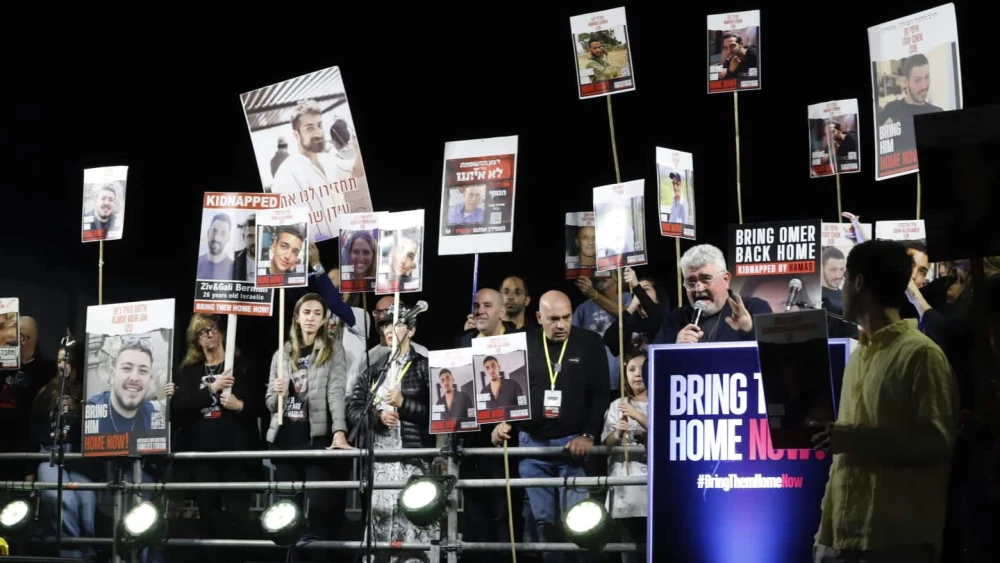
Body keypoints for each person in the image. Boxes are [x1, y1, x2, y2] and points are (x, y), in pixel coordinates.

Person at [810, 240, 957, 563]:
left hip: (894, 542)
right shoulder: (859, 354)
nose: (841, 287)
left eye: (845, 278)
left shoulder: (921, 355)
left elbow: (938, 441)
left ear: (858, 282)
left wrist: (851, 437)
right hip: (838, 538)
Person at [492, 291, 610, 563]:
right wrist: (501, 421)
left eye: (566, 318)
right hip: (532, 446)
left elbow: (601, 393)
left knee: (580, 522)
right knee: (543, 523)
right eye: (553, 319)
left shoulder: (589, 342)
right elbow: (507, 391)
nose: (561, 325)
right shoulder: (522, 343)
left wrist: (588, 435)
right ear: (539, 317)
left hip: (573, 446)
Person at [347, 305, 435, 563]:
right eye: (384, 325)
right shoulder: (375, 369)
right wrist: (377, 417)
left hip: (412, 458)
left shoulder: (424, 368)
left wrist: (404, 403)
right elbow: (354, 409)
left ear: (411, 330)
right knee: (381, 517)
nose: (388, 330)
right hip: (381, 459)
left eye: (394, 324)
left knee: (412, 515)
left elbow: (437, 413)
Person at [265, 293, 352, 542]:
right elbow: (270, 403)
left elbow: (336, 391)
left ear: (324, 320)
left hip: (316, 439)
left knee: (318, 508)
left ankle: (315, 555)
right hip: (285, 440)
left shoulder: (333, 349)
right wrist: (278, 393)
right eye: (306, 312)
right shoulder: (282, 353)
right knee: (287, 511)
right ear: (296, 317)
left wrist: (339, 431)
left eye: (317, 313)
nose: (311, 318)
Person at [171, 315, 260, 561]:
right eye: (202, 332)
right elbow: (180, 405)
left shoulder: (241, 366)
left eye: (212, 329)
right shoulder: (190, 372)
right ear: (196, 340)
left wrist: (239, 405)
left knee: (237, 515)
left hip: (236, 455)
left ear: (221, 332)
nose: (208, 335)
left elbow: (260, 406)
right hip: (202, 455)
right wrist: (212, 388)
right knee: (208, 514)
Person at [29, 343, 103, 561]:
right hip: (50, 454)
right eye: (60, 360)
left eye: (67, 360)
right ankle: (72, 555)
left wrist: (80, 411)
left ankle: (86, 551)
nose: (63, 365)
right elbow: (34, 428)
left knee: (86, 502)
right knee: (63, 500)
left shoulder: (90, 392)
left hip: (79, 459)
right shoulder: (46, 392)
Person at [654, 244, 771, 344]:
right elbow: (649, 367)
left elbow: (776, 356)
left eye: (705, 279)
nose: (698, 288)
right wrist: (672, 351)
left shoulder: (754, 309)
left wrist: (749, 330)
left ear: (726, 279)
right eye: (691, 281)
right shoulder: (674, 320)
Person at [601, 352, 648, 563]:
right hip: (627, 493)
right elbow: (606, 443)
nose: (637, 374)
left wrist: (637, 415)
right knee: (629, 551)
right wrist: (617, 434)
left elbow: (666, 434)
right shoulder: (617, 405)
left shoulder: (665, 400)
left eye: (642, 369)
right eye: (631, 369)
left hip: (654, 493)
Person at [85, 336, 165, 434]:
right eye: (127, 368)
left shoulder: (155, 415)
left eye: (143, 370)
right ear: (113, 375)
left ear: (150, 378)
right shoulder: (92, 411)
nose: (134, 378)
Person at [197, 212, 235, 280]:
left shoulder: (234, 268)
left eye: (223, 234)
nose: (216, 238)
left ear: (228, 238)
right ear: (208, 232)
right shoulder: (198, 262)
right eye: (214, 231)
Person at [232, 213, 256, 282]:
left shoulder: (275, 262)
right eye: (250, 236)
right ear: (243, 237)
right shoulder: (231, 260)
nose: (255, 242)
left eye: (259, 235)